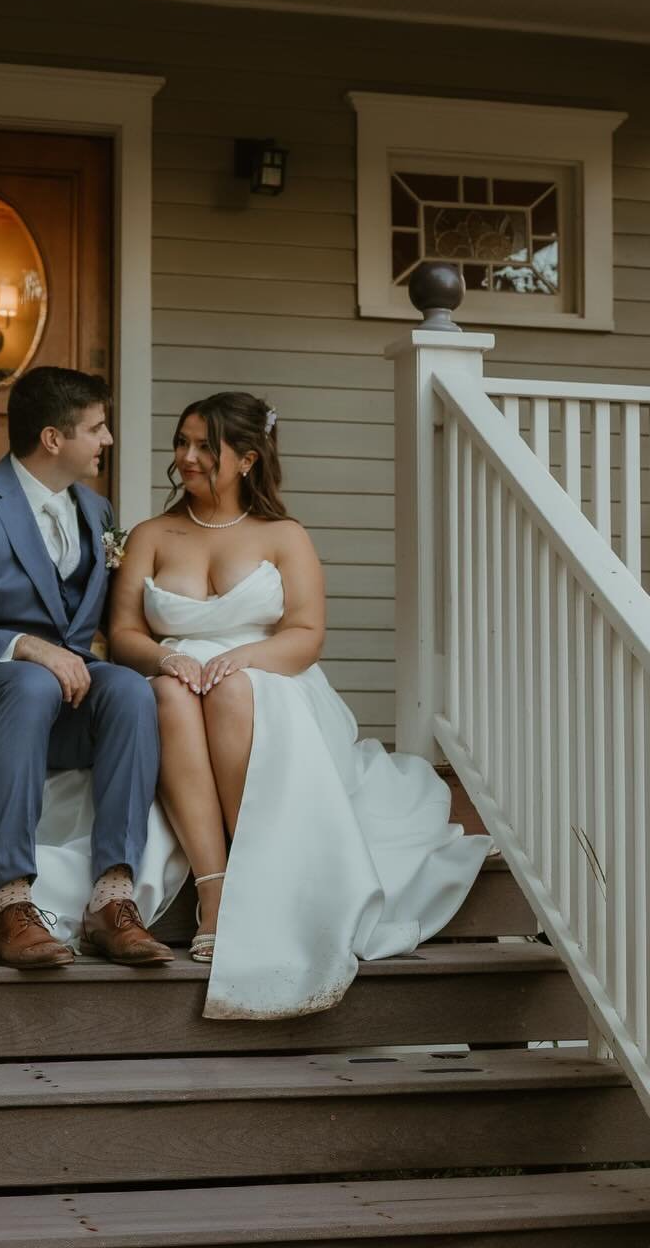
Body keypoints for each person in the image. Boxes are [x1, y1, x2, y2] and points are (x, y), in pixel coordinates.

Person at [107, 390, 492, 1018]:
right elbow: (125, 632)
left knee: (230, 689)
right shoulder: (153, 533)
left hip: (267, 678)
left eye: (206, 445)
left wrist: (243, 660)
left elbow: (306, 634)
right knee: (170, 695)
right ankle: (215, 888)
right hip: (176, 677)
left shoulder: (283, 536)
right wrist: (164, 658)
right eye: (182, 442)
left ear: (248, 459)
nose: (188, 456)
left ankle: (258, 866)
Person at [0, 366, 171, 969]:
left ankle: (112, 898)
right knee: (28, 680)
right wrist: (25, 644)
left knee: (127, 690)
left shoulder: (97, 512)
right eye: (97, 428)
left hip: (59, 703)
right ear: (53, 439)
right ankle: (11, 902)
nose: (107, 440)